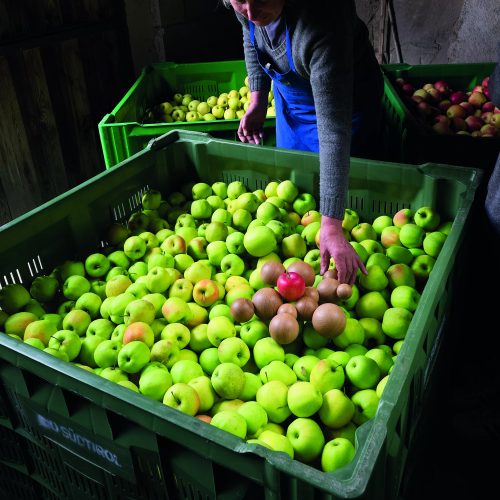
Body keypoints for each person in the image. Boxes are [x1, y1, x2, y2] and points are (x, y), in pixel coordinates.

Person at [222, 0, 384, 284]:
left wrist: (332, 226)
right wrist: (258, 99)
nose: (249, 10)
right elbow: (250, 34)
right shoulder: (243, 7)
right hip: (293, 99)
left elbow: (334, 130)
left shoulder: (321, 25)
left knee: (354, 198)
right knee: (297, 188)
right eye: (240, 1)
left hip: (344, 103)